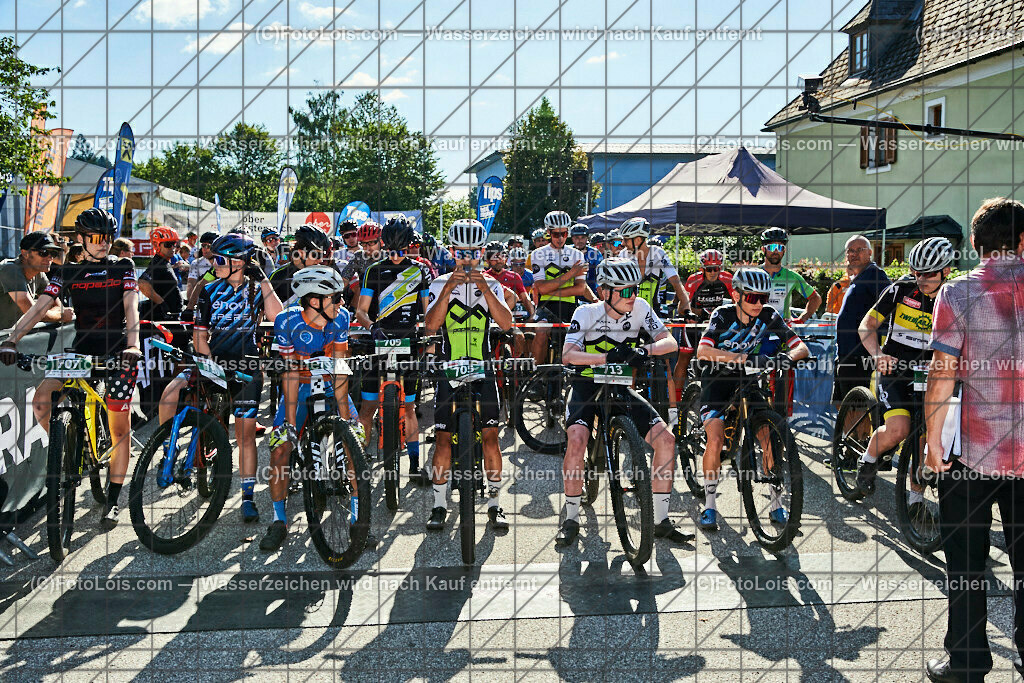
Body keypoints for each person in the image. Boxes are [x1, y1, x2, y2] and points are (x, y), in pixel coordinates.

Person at [923, 198, 1024, 683]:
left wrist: (932, 440)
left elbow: (942, 372)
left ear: (978, 245)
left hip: (975, 452)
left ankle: (967, 663)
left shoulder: (958, 292)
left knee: (966, 563)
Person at [0, 208, 142, 529]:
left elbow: (131, 305)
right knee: (42, 400)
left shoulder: (123, 266)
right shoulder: (67, 272)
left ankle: (113, 500)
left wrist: (133, 344)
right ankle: (65, 453)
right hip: (82, 350)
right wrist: (12, 340)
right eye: (96, 237)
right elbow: (39, 307)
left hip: (119, 351)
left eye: (108, 237)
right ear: (80, 238)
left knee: (120, 430)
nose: (103, 243)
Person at [555, 258, 694, 547]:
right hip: (587, 385)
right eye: (626, 291)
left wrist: (645, 350)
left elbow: (669, 341)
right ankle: (571, 518)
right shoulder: (586, 312)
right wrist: (605, 357)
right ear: (604, 292)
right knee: (577, 439)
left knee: (666, 440)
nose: (633, 296)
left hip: (619, 386)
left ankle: (660, 521)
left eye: (636, 289)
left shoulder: (640, 307)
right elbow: (567, 355)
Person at [159, 233, 283, 525]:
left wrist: (264, 280)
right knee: (170, 392)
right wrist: (210, 365)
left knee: (245, 435)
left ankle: (247, 497)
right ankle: (167, 449)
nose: (213, 264)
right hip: (214, 362)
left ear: (238, 262)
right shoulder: (209, 290)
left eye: (219, 260)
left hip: (246, 367)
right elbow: (200, 336)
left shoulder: (256, 289)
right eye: (213, 259)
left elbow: (277, 317)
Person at [694, 267, 810, 530]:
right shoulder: (722, 314)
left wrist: (786, 358)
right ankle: (709, 504)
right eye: (752, 297)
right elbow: (703, 350)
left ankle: (776, 503)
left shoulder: (768, 314)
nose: (759, 303)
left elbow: (800, 347)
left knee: (769, 438)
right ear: (736, 295)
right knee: (715, 439)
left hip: (747, 379)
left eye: (763, 297)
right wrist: (744, 358)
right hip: (718, 379)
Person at [423, 218, 514, 532]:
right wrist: (449, 287)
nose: (467, 258)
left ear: (482, 252)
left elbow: (506, 324)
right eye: (462, 252)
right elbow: (431, 326)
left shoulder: (493, 284)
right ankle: (438, 504)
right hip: (449, 366)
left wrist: (484, 287)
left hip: (482, 366)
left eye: (474, 252)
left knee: (491, 437)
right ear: (452, 251)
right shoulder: (439, 283)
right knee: (443, 439)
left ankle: (495, 504)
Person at [854, 237, 953, 514]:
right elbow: (866, 325)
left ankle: (915, 500)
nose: (921, 279)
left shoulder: (954, 297)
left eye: (929, 274)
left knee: (926, 435)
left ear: (946, 271)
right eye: (916, 272)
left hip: (931, 375)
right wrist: (878, 356)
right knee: (899, 429)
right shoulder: (901, 288)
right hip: (895, 369)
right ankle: (868, 460)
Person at [262, 266, 354, 551]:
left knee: (354, 444)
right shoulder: (287, 322)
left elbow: (340, 368)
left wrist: (348, 421)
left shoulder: (341, 318)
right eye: (336, 297)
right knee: (279, 449)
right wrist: (289, 425)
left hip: (330, 382)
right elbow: (290, 373)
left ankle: (358, 518)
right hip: (299, 385)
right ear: (315, 301)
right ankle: (279, 521)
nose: (342, 302)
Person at [354, 216, 433, 483]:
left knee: (409, 407)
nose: (396, 256)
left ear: (409, 246)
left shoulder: (420, 270)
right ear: (384, 246)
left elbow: (427, 313)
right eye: (391, 251)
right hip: (378, 340)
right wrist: (371, 326)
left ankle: (415, 464)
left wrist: (429, 343)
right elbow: (361, 311)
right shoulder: (373, 271)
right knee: (367, 407)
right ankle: (359, 461)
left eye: (401, 250)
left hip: (408, 342)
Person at [618, 216, 692, 425]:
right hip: (630, 314)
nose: (623, 243)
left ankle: (673, 415)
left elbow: (676, 282)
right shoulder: (623, 255)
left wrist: (686, 306)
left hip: (654, 314)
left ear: (639, 239)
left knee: (666, 362)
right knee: (630, 361)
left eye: (626, 239)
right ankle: (629, 410)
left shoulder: (658, 254)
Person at [832, 235, 891, 407]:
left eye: (859, 250)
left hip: (860, 356)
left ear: (870, 253)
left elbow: (891, 307)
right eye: (850, 251)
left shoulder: (875, 275)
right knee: (842, 405)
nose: (854, 254)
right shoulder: (859, 278)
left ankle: (860, 428)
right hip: (846, 354)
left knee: (858, 408)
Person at [529, 211, 590, 366]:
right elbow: (541, 288)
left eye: (564, 233)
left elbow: (580, 289)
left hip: (570, 306)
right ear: (548, 233)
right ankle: (536, 371)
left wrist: (551, 289)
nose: (561, 238)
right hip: (546, 306)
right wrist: (571, 273)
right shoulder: (538, 254)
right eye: (556, 234)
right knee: (541, 332)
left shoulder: (577, 255)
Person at [677, 248, 735, 388]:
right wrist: (689, 313)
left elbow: (737, 302)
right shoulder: (694, 280)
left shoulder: (728, 279)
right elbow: (681, 307)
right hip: (695, 323)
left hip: (715, 324)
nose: (713, 272)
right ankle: (675, 399)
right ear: (702, 269)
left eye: (716, 269)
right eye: (709, 269)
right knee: (684, 358)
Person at [0, 232, 69, 329]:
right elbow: (32, 313)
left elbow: (57, 306)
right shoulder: (10, 269)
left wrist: (48, 313)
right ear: (25, 253)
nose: (50, 258)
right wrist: (61, 316)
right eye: (44, 252)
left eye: (53, 253)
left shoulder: (39, 274)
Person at [758, 227, 821, 321]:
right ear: (763, 249)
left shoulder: (792, 276)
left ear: (784, 251)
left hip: (782, 328)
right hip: (757, 327)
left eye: (780, 247)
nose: (776, 251)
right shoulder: (753, 273)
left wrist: (801, 319)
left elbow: (815, 298)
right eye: (771, 247)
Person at [484, 241, 533, 356]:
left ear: (506, 259)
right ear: (488, 260)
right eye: (495, 257)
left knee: (519, 337)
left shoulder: (514, 276)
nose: (499, 260)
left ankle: (517, 363)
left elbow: (525, 298)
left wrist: (532, 316)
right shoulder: (483, 276)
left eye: (502, 256)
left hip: (507, 318)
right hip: (487, 319)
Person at [269, 224, 334, 307]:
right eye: (316, 255)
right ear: (301, 253)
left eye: (323, 255)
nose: (321, 260)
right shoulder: (277, 276)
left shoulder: (323, 275)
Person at [138, 227, 184, 322]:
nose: (173, 248)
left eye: (174, 244)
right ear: (156, 245)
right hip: (164, 318)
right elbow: (142, 283)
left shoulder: (164, 262)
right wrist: (162, 304)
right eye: (168, 244)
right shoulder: (158, 263)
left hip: (172, 316)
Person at [340, 221, 382, 291]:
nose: (367, 248)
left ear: (381, 241)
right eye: (364, 244)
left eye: (371, 243)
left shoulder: (389, 256)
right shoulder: (358, 256)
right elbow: (345, 278)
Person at [185, 231, 219, 313]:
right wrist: (191, 307)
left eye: (208, 246)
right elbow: (191, 285)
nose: (204, 249)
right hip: (203, 303)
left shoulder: (223, 263)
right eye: (203, 246)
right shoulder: (196, 263)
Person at [570, 223, 603, 296]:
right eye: (577, 238)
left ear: (587, 238)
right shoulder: (566, 252)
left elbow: (601, 275)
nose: (580, 240)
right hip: (570, 294)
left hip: (590, 295)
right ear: (572, 238)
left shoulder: (595, 253)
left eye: (583, 237)